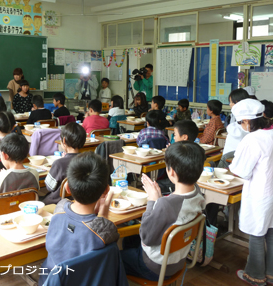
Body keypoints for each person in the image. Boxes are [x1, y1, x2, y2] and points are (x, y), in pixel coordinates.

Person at [229, 99, 273, 286]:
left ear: (248, 121)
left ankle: (255, 276)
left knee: (257, 234)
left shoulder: (253, 139)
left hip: (262, 193)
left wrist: (234, 164)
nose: (242, 126)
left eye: (241, 122)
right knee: (272, 232)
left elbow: (241, 170)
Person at [121, 142, 205, 281]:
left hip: (156, 268)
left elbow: (146, 237)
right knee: (130, 239)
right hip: (178, 261)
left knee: (112, 256)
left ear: (171, 171)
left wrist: (153, 200)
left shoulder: (166, 205)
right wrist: (159, 200)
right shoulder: (198, 194)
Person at [41, 152, 119, 284]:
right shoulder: (104, 230)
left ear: (67, 188)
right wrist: (104, 214)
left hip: (52, 280)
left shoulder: (59, 208)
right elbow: (105, 232)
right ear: (106, 190)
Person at [43, 122, 87, 205]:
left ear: (64, 140)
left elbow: (49, 187)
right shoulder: (88, 160)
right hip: (78, 201)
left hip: (58, 203)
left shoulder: (59, 164)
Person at [219, 89, 251, 167]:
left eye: (232, 102)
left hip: (233, 157)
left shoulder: (244, 118)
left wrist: (229, 128)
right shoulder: (236, 115)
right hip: (230, 155)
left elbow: (239, 132)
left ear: (238, 102)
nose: (230, 104)